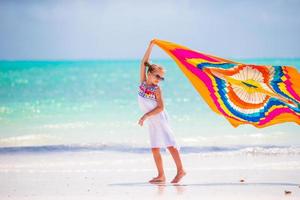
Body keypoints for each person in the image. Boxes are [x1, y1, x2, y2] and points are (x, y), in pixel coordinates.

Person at [138, 40, 186, 184]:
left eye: (161, 77)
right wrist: (151, 46)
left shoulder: (157, 89)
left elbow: (160, 107)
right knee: (155, 148)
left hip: (158, 118)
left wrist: (145, 116)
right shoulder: (143, 82)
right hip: (152, 121)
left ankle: (181, 170)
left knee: (170, 144)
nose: (159, 79)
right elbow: (143, 62)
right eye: (157, 76)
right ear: (149, 73)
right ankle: (161, 175)